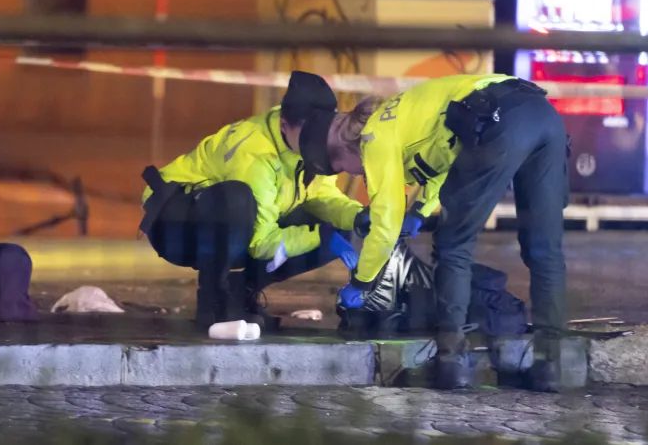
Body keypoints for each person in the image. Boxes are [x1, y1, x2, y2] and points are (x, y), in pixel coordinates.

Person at [299, 73, 568, 392]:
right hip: (542, 114)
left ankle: (450, 364)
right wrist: (421, 210)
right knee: (544, 250)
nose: (352, 173)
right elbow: (449, 154)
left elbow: (385, 224)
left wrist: (362, 283)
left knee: (453, 245)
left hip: (501, 121)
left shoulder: (374, 138)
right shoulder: (401, 113)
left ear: (341, 149)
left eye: (341, 167)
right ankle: (549, 366)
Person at [139, 71, 370, 330]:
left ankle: (240, 291)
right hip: (177, 224)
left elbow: (322, 197)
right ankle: (213, 300)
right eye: (306, 134)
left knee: (341, 226)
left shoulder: (314, 142)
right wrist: (321, 236)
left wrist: (358, 217)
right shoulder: (254, 150)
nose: (312, 142)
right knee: (237, 200)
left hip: (239, 226)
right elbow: (261, 243)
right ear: (284, 125)